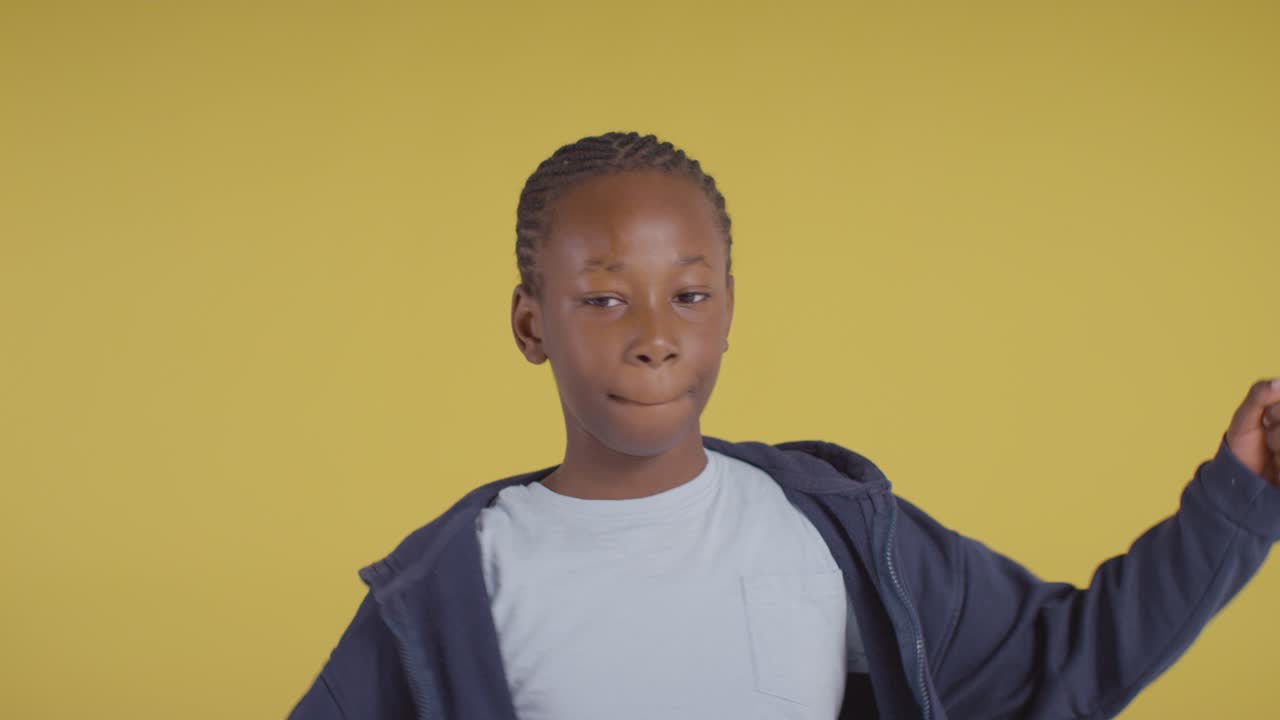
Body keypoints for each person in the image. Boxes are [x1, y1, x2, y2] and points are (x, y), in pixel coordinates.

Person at [287, 131, 1280, 720]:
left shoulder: (832, 528)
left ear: (726, 309)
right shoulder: (453, 585)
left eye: (687, 295)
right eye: (601, 301)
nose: (653, 338)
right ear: (529, 322)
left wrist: (1240, 499)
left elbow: (1063, 662)